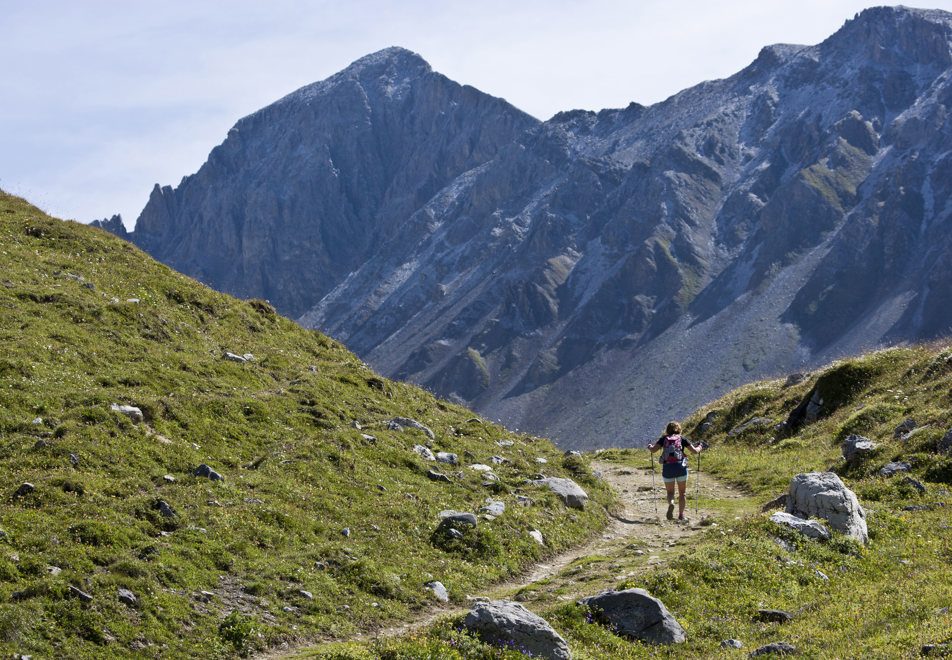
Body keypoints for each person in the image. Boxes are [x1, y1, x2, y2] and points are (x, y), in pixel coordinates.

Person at [647, 421, 702, 521]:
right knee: (682, 493)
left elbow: (653, 450)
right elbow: (694, 451)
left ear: (667, 430)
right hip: (680, 467)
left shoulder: (664, 439)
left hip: (668, 468)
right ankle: (681, 515)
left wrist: (649, 446)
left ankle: (671, 503)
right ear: (679, 429)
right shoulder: (682, 439)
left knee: (670, 492)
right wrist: (700, 447)